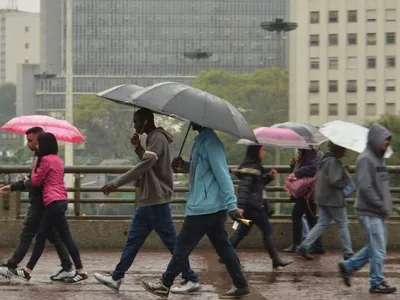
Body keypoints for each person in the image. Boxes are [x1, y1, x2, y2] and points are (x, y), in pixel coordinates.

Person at [94, 108, 200, 293]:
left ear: (145, 122)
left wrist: (116, 183)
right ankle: (117, 277)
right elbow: (149, 160)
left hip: (156, 201)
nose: (134, 126)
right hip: (149, 200)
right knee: (133, 242)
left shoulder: (157, 138)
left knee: (172, 244)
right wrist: (137, 148)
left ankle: (191, 278)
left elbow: (145, 165)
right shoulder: (153, 139)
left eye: (136, 122)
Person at [141, 123, 249, 299]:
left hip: (204, 208)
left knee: (182, 247)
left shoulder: (211, 143)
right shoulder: (201, 141)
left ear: (203, 120)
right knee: (224, 247)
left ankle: (164, 284)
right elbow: (201, 170)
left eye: (193, 118)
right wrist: (184, 165)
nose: (190, 121)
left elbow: (223, 174)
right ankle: (241, 285)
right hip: (208, 206)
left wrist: (232, 204)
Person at [6, 132, 87, 283]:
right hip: (61, 199)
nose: (37, 145)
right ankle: (29, 271)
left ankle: (79, 271)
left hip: (52, 201)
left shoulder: (44, 160)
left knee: (50, 237)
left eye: (38, 143)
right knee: (55, 236)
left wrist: (29, 176)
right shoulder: (57, 159)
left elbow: (36, 182)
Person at [338, 124, 396, 294]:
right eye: (385, 140)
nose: (387, 143)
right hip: (369, 212)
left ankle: (349, 267)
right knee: (378, 248)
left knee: (376, 245)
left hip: (378, 212)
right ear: (377, 139)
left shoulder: (378, 158)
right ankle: (376, 282)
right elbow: (365, 187)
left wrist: (386, 205)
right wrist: (380, 204)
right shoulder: (365, 159)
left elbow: (381, 185)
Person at [220, 145, 292, 269]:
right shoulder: (251, 168)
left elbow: (257, 185)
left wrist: (269, 177)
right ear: (256, 151)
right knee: (267, 230)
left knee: (241, 232)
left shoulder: (254, 167)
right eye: (262, 150)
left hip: (252, 207)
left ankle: (225, 255)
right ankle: (275, 259)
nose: (264, 152)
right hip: (254, 207)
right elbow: (244, 188)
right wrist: (240, 207)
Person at [297, 142, 353, 260]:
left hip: (322, 198)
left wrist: (341, 170)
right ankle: (348, 251)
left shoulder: (325, 160)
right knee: (342, 223)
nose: (345, 151)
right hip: (334, 199)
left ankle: (305, 245)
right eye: (343, 149)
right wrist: (344, 179)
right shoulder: (334, 162)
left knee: (322, 223)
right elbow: (334, 180)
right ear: (338, 150)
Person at [284, 148, 324, 254]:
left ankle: (296, 244)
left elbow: (312, 169)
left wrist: (296, 172)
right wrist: (293, 166)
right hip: (309, 191)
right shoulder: (306, 153)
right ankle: (318, 245)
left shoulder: (309, 153)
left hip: (305, 192)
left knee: (296, 215)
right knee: (311, 218)